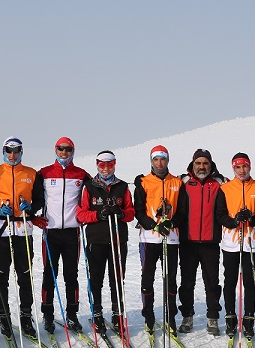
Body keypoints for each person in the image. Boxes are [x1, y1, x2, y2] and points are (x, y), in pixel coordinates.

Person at [0, 137, 44, 338]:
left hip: (23, 229)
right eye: (9, 151)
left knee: (25, 274)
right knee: (1, 275)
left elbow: (39, 199)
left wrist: (31, 207)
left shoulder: (31, 173)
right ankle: (4, 315)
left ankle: (26, 317)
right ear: (3, 151)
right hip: (2, 228)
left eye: (16, 151)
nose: (12, 155)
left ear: (21, 152)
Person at [76, 151, 135, 333]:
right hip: (96, 240)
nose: (106, 169)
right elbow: (81, 214)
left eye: (109, 165)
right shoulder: (89, 187)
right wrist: (98, 215)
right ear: (97, 165)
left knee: (117, 279)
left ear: (115, 164)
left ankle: (117, 315)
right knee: (96, 279)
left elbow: (131, 213)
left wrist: (121, 213)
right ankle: (97, 314)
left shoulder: (123, 187)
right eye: (102, 165)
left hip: (117, 239)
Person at [214, 152, 255, 338]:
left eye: (244, 166)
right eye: (238, 167)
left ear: (250, 166)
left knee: (250, 283)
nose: (241, 170)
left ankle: (249, 318)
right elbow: (219, 214)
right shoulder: (225, 188)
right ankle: (230, 317)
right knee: (229, 281)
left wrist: (252, 219)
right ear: (233, 168)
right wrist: (234, 220)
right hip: (231, 243)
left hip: (252, 244)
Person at [38, 137, 89, 334]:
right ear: (55, 150)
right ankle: (48, 315)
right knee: (49, 274)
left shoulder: (81, 175)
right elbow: (34, 198)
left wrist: (85, 215)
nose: (64, 152)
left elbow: (94, 196)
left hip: (71, 232)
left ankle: (72, 315)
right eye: (61, 149)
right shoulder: (44, 173)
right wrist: (34, 216)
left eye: (68, 149)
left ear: (73, 151)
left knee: (71, 275)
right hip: (50, 232)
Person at [134, 144, 184, 333]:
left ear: (167, 160)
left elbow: (183, 211)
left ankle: (170, 317)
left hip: (170, 238)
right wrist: (153, 225)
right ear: (151, 161)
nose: (159, 163)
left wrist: (171, 223)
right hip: (149, 238)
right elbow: (139, 211)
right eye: (156, 159)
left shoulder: (177, 182)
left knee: (170, 279)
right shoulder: (144, 182)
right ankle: (149, 317)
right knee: (147, 278)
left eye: (163, 159)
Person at [177, 149, 225, 336]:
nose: (202, 167)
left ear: (211, 165)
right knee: (187, 282)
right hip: (188, 241)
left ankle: (212, 317)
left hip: (210, 242)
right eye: (198, 163)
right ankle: (187, 315)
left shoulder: (219, 184)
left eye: (205, 163)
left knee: (212, 282)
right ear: (193, 164)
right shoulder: (185, 183)